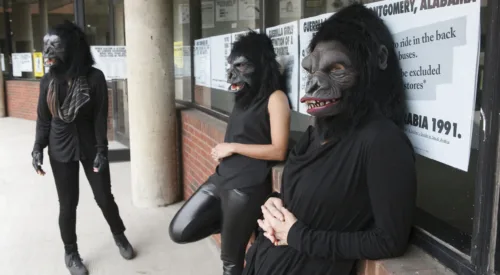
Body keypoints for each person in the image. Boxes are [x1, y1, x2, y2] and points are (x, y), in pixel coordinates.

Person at [242, 4, 417, 275]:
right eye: (312, 70)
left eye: (336, 69)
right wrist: (274, 202)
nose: (313, 83)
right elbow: (306, 196)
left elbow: (389, 240)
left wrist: (297, 235)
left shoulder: (382, 141)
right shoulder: (317, 131)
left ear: (378, 61)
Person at [169, 31, 291, 275]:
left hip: (246, 187)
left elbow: (279, 150)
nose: (233, 73)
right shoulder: (243, 97)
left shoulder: (275, 98)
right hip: (222, 178)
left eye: (242, 65)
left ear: (261, 64)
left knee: (231, 262)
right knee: (180, 229)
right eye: (232, 66)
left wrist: (233, 147)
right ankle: (238, 224)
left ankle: (240, 223)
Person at [31, 21, 134, 275]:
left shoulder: (94, 78)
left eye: (54, 47)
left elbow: (100, 117)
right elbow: (44, 119)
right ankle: (71, 252)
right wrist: (37, 148)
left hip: (90, 144)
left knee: (104, 197)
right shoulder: (48, 82)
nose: (47, 53)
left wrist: (102, 150)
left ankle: (119, 235)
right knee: (68, 204)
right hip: (59, 147)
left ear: (72, 48)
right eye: (45, 47)